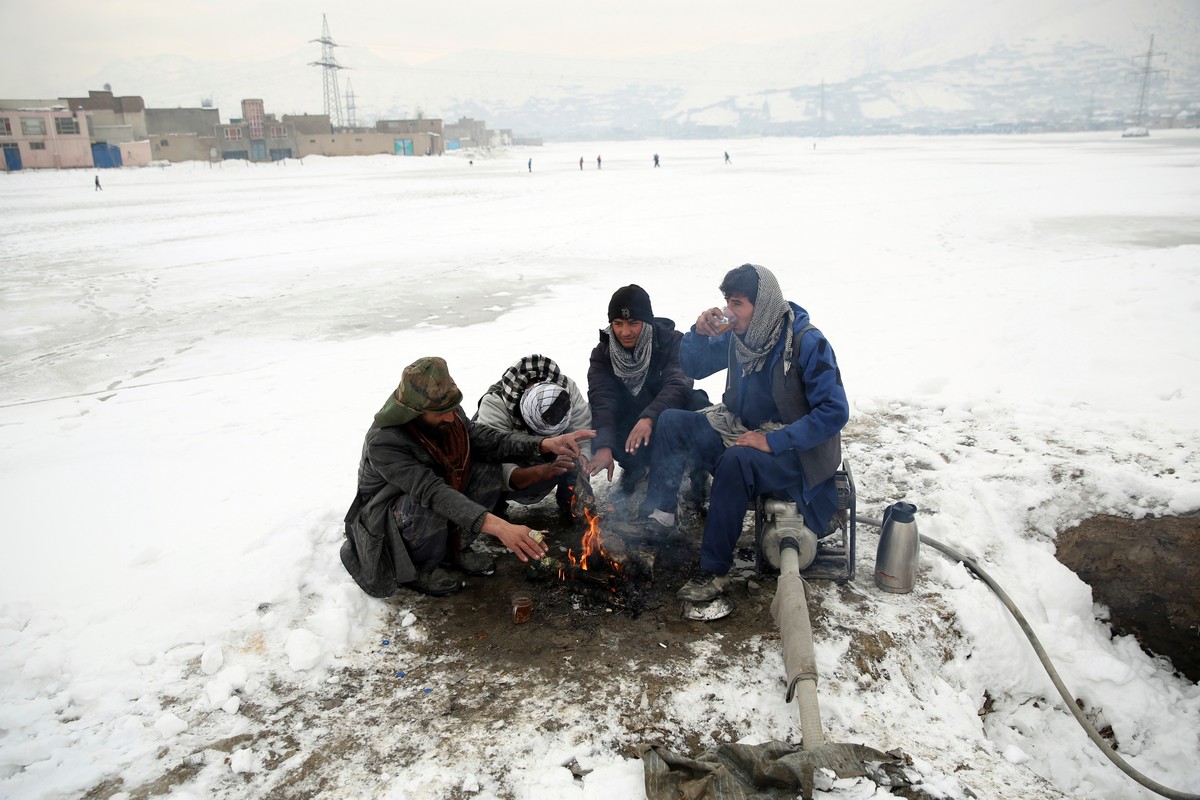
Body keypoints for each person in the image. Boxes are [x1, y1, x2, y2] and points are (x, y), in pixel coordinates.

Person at [638, 264, 848, 604]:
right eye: (727, 302)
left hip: (796, 454)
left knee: (736, 460)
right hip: (743, 431)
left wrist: (773, 440)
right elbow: (694, 367)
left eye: (738, 304)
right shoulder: (741, 337)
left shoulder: (807, 343)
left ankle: (715, 569)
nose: (729, 313)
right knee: (674, 421)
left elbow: (835, 411)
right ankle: (661, 518)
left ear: (761, 306)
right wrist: (698, 332)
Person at [341, 356, 594, 598]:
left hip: (434, 492)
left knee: (487, 468)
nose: (452, 418)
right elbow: (432, 492)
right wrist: (502, 528)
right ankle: (421, 567)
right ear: (414, 412)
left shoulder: (446, 411)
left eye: (453, 409)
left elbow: (488, 440)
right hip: (389, 515)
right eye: (442, 413)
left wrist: (544, 444)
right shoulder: (385, 441)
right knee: (423, 504)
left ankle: (455, 549)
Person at [585, 285, 706, 496]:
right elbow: (602, 400)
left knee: (698, 405)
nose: (625, 332)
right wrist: (603, 446)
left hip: (665, 421)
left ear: (647, 322)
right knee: (596, 415)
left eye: (633, 323)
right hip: (633, 430)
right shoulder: (602, 354)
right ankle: (634, 468)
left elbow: (679, 383)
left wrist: (649, 417)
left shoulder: (673, 341)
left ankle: (699, 473)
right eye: (618, 324)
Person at [473, 354, 593, 514]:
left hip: (553, 460)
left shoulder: (566, 389)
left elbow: (582, 433)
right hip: (513, 467)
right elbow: (498, 466)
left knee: (578, 455)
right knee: (481, 463)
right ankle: (497, 519)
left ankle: (571, 507)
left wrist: (583, 459)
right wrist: (542, 472)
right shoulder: (495, 404)